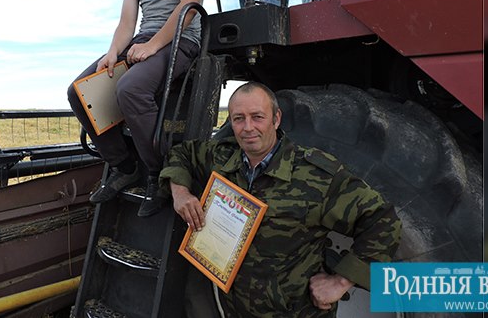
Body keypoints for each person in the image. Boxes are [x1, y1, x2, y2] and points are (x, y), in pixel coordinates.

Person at [160, 82, 402, 317]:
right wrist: (180, 192)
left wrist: (341, 281)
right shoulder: (222, 155)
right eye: (238, 119)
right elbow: (181, 153)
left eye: (257, 117)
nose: (247, 128)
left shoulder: (315, 176)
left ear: (276, 119)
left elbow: (382, 220)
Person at [67, 0, 205, 217]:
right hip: (142, 39)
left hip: (181, 39)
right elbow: (127, 21)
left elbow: (188, 7)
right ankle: (123, 165)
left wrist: (153, 45)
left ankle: (160, 174)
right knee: (79, 92)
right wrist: (114, 51)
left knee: (130, 89)